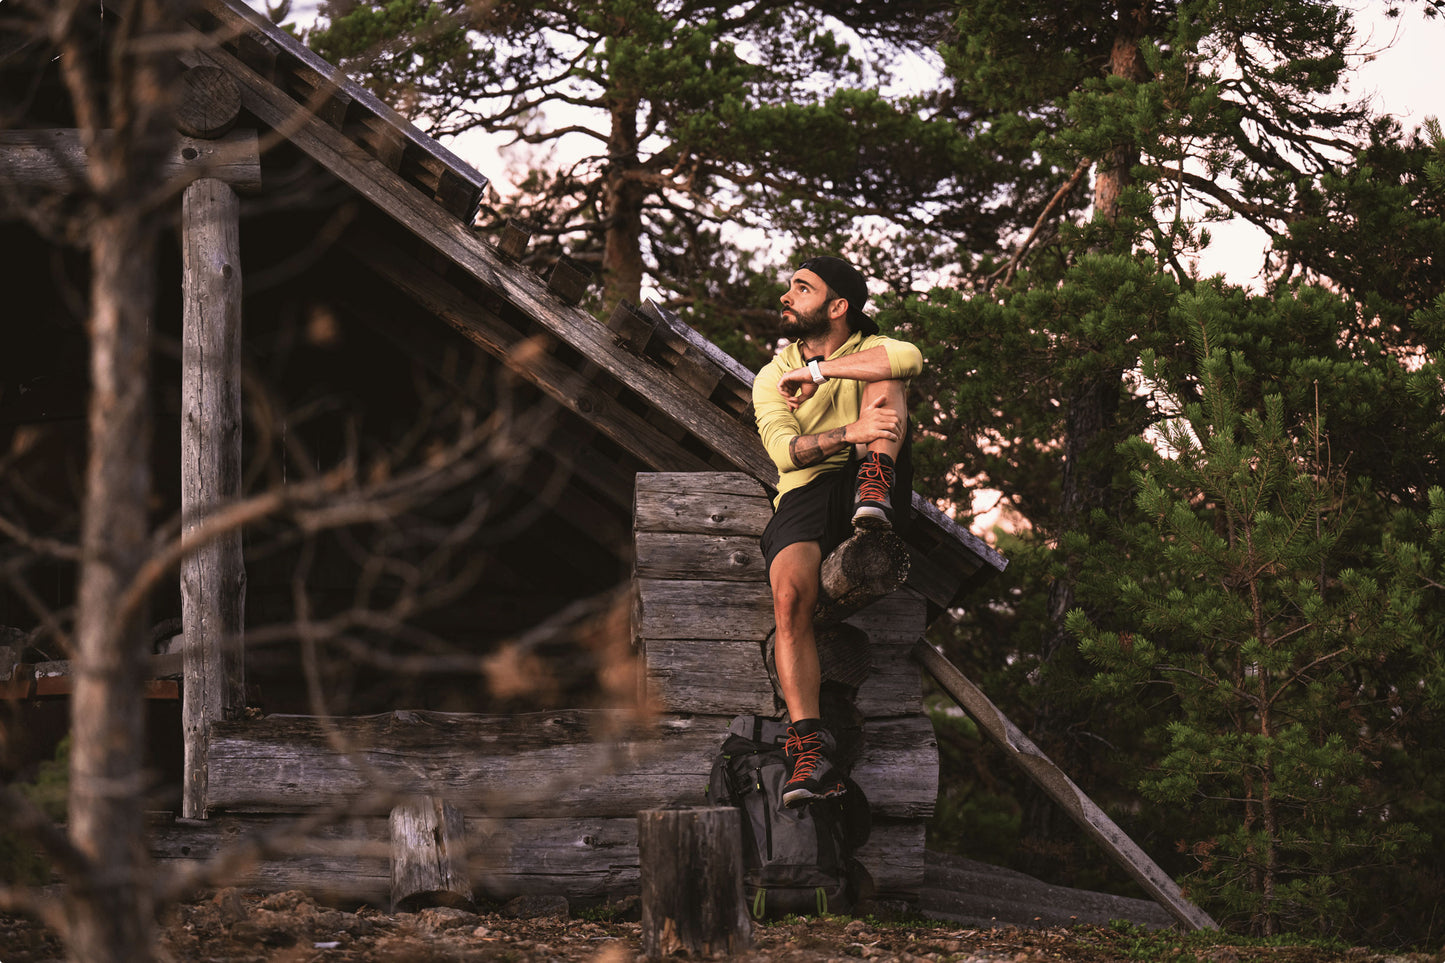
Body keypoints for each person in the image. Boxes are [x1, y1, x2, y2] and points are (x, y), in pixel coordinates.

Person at [751, 255, 922, 807]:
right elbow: (783, 452)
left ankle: (875, 489)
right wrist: (850, 430)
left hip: (866, 472)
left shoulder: (867, 352)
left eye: (802, 288)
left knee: (890, 375)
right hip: (804, 492)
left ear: (837, 307)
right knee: (788, 599)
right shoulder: (771, 376)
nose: (787, 296)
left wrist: (820, 373)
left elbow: (909, 358)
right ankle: (806, 750)